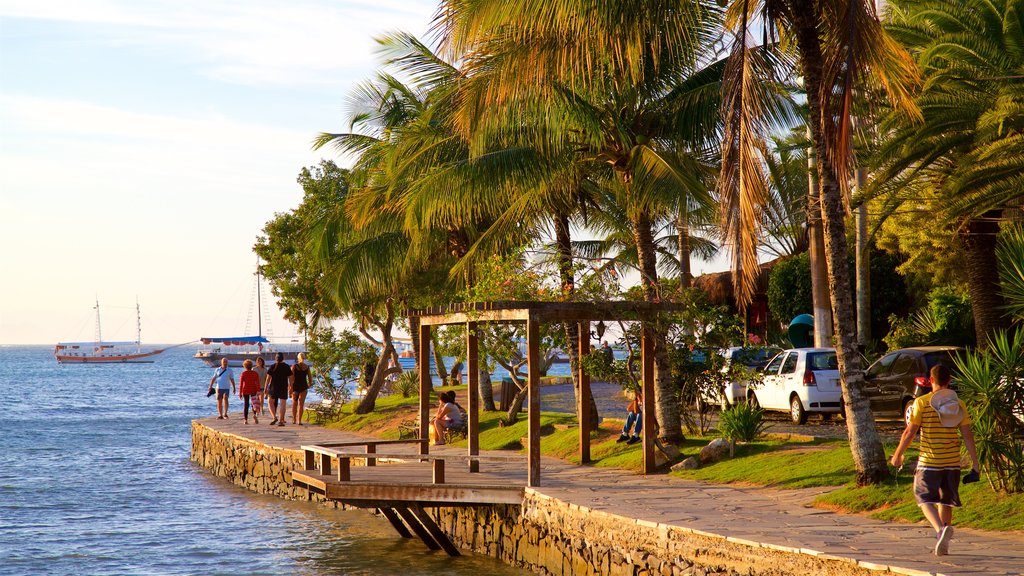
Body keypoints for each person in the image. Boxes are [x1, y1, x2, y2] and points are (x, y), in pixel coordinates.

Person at [890, 364, 980, 556]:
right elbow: (968, 435)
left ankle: (940, 530)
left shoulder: (921, 403)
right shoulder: (959, 404)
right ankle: (943, 543)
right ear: (949, 380)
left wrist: (898, 455)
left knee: (923, 498)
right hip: (952, 462)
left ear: (931, 381)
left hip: (929, 461)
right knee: (945, 502)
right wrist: (975, 464)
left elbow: (910, 432)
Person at [265, 353, 292, 427]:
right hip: (283, 387)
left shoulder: (273, 366)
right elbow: (290, 379)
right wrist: (291, 388)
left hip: (273, 387)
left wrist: (265, 388)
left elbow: (268, 379)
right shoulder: (286, 366)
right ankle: (280, 421)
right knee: (283, 404)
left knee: (270, 402)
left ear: (275, 358)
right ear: (283, 358)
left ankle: (274, 417)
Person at [290, 352, 311, 426]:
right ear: (304, 358)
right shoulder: (307, 367)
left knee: (294, 403)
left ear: (298, 358)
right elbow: (310, 379)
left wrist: (290, 388)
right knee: (301, 404)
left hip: (295, 386)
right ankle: (299, 420)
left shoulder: (294, 366)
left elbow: (291, 378)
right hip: (303, 386)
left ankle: (294, 419)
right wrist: (308, 385)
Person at [238, 359, 260, 424]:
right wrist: (258, 390)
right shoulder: (255, 373)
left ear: (245, 366)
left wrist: (240, 393)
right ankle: (255, 415)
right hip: (253, 389)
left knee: (246, 404)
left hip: (245, 390)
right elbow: (257, 383)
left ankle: (246, 419)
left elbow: (241, 384)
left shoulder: (243, 373)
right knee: (254, 404)